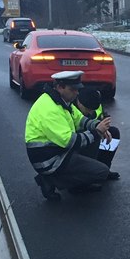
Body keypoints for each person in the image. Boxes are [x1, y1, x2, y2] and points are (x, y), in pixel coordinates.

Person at [25, 70, 112, 201]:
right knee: (101, 172)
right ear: (60, 87)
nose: (77, 93)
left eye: (78, 89)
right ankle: (50, 180)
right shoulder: (49, 109)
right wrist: (97, 132)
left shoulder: (62, 100)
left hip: (58, 151)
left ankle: (79, 181)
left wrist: (96, 126)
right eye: (73, 89)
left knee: (96, 139)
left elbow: (80, 120)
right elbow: (70, 141)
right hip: (49, 160)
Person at [75, 87, 121, 180]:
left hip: (93, 137)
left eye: (93, 109)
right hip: (77, 143)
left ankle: (104, 170)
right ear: (79, 103)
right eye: (88, 109)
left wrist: (105, 128)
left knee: (114, 132)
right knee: (94, 136)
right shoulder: (71, 110)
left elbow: (103, 116)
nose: (91, 112)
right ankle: (86, 175)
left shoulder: (95, 104)